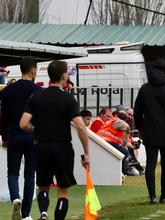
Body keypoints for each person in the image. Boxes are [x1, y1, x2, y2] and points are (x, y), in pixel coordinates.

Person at [19, 60, 90, 220]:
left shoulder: (36, 97)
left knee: (43, 186)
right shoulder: (68, 99)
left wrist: (36, 129)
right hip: (63, 148)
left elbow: (23, 123)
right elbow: (80, 127)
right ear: (64, 75)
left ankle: (44, 213)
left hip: (42, 147)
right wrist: (86, 153)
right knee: (63, 190)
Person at [134, 59, 165, 204]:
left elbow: (137, 111)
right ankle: (163, 195)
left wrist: (141, 128)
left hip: (150, 131)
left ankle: (152, 196)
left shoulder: (144, 89)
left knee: (150, 164)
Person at [0, 56, 41, 220]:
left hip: (14, 134)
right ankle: (26, 214)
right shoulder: (38, 91)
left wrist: (4, 136)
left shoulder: (8, 90)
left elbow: (2, 116)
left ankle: (15, 198)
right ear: (33, 70)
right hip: (32, 134)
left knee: (13, 172)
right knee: (30, 174)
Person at [97, 110, 138, 176]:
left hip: (100, 140)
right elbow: (127, 127)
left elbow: (119, 139)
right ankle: (124, 170)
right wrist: (124, 144)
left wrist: (128, 145)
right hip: (106, 141)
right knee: (125, 152)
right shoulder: (119, 121)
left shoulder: (111, 121)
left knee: (127, 150)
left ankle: (129, 169)